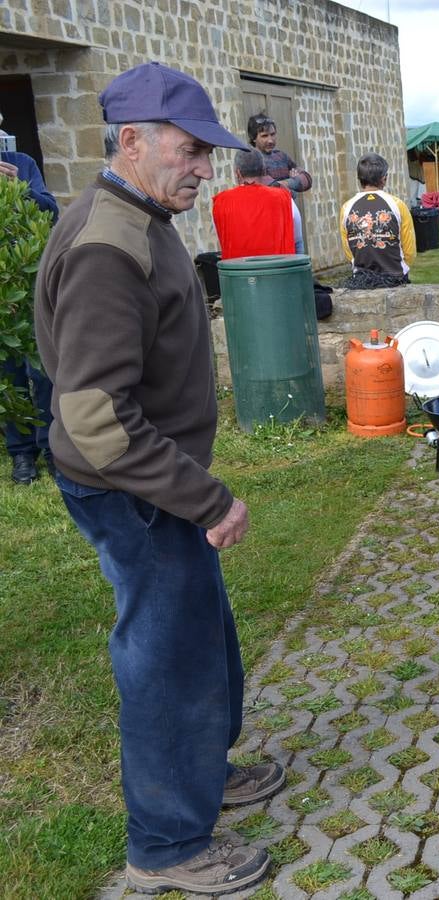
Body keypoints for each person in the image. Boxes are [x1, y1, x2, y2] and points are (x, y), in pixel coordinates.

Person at [33, 62, 283, 895]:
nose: (205, 169)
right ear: (131, 142)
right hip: (134, 494)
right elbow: (94, 417)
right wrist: (205, 496)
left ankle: (203, 774)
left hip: (157, 483)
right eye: (190, 151)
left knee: (199, 634)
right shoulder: (111, 242)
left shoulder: (137, 210)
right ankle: (168, 845)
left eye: (209, 154)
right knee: (164, 660)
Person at [0, 110, 57, 486]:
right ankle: (22, 456)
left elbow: (50, 210)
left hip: (29, 280)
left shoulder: (23, 163)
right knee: (10, 375)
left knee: (44, 369)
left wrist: (21, 186)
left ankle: (53, 448)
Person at [340, 153, 416, 289]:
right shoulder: (397, 205)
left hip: (361, 278)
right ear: (384, 178)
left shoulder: (346, 208)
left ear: (359, 179)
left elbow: (348, 249)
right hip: (395, 276)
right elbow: (409, 249)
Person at [212, 148, 301, 260]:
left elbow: (222, 237)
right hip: (277, 273)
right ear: (264, 171)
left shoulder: (220, 202)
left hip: (239, 275)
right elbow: (297, 239)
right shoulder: (284, 197)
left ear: (237, 173)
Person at [246, 113, 312, 195]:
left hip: (287, 207)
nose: (270, 140)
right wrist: (294, 184)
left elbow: (307, 179)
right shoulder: (250, 160)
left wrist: (286, 184)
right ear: (253, 138)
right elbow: (267, 190)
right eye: (264, 136)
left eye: (273, 134)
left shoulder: (281, 156)